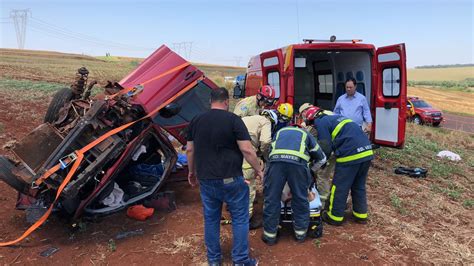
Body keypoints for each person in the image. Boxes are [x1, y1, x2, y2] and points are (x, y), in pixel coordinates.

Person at [186, 87, 262, 266]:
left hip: (206, 180)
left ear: (210, 101)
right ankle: (240, 261)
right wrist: (258, 170)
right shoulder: (234, 120)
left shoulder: (196, 120)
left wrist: (191, 172)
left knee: (211, 220)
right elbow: (247, 149)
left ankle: (213, 261)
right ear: (227, 101)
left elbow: (190, 149)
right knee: (240, 219)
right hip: (231, 180)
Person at [262, 125, 326, 245]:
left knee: (271, 198)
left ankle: (270, 236)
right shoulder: (306, 134)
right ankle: (300, 234)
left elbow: (268, 155)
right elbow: (322, 159)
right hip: (297, 164)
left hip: (276, 163)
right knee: (301, 198)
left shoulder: (279, 132)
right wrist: (310, 171)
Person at [311, 106, 374, 226]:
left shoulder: (320, 121)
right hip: (366, 152)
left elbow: (325, 146)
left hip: (350, 155)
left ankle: (334, 216)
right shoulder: (337, 118)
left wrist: (320, 162)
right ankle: (361, 215)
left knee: (339, 186)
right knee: (358, 185)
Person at [241, 109, 278, 229]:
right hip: (246, 158)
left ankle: (234, 209)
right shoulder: (266, 122)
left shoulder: (247, 118)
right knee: (249, 189)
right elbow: (266, 141)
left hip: (232, 157)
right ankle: (246, 220)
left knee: (236, 184)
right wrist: (264, 154)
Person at [302, 106, 336, 208]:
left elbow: (324, 144)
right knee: (335, 176)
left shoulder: (320, 121)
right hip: (340, 148)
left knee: (322, 175)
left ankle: (323, 204)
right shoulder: (328, 114)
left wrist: (322, 161)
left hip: (331, 150)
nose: (313, 125)